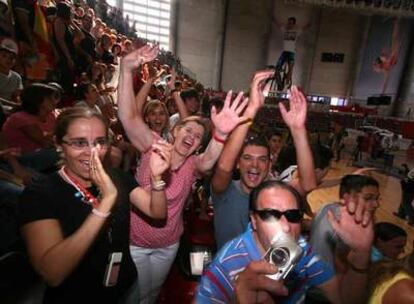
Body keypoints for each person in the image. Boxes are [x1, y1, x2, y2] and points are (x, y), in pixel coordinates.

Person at [118, 44, 249, 304]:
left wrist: (221, 134)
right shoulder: (152, 144)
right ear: (175, 130)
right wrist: (125, 70)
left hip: (168, 246)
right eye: (188, 130)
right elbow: (128, 117)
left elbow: (212, 157)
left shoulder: (193, 165)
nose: (192, 136)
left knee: (153, 295)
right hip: (135, 243)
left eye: (198, 137)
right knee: (132, 296)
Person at [18, 107, 172, 303]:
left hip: (126, 288)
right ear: (59, 144)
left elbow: (156, 212)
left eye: (100, 142)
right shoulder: (40, 193)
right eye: (79, 143)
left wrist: (157, 178)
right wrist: (106, 202)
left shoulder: (116, 177)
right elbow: (52, 274)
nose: (92, 152)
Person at [197, 180, 373, 303]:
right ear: (253, 220)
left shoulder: (301, 249)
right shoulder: (224, 266)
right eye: (270, 215)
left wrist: (361, 255)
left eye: (293, 216)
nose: (286, 227)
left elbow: (344, 299)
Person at [211, 78, 317, 250]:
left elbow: (308, 184)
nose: (255, 165)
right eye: (247, 158)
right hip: (228, 272)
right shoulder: (225, 191)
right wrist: (251, 110)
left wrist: (298, 130)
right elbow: (223, 167)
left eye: (262, 160)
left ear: (269, 164)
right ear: (237, 164)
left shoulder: (276, 194)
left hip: (266, 271)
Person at [310, 175, 380, 269]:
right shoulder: (345, 226)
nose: (376, 204)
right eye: (368, 198)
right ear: (347, 197)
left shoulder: (328, 207)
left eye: (377, 198)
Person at [273, 17, 310, 89]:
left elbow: (305, 28)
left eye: (291, 23)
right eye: (288, 22)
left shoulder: (296, 32)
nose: (289, 24)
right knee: (277, 70)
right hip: (284, 52)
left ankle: (287, 82)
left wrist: (310, 23)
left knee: (290, 68)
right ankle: (280, 85)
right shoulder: (284, 30)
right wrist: (273, 18)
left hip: (291, 53)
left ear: (293, 24)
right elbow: (278, 25)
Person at [373, 18, 400, 94]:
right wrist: (383, 92)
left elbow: (382, 58)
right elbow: (386, 82)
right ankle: (396, 23)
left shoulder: (381, 61)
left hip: (390, 57)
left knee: (394, 38)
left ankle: (396, 23)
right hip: (392, 58)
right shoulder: (386, 70)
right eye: (376, 67)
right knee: (395, 39)